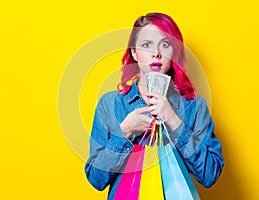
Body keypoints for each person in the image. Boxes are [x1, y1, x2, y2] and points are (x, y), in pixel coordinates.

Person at [85, 12, 224, 199]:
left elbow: (210, 176)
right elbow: (96, 179)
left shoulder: (195, 107)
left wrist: (174, 121)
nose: (156, 53)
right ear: (134, 52)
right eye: (146, 45)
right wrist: (125, 130)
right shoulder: (110, 105)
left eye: (165, 44)